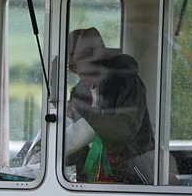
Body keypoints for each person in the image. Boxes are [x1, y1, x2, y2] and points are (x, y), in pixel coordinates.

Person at [63, 27, 158, 184]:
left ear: (98, 60)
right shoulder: (79, 92)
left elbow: (122, 132)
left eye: (78, 63)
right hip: (89, 180)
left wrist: (85, 113)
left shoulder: (126, 82)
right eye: (72, 66)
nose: (76, 71)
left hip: (132, 176)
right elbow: (80, 147)